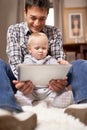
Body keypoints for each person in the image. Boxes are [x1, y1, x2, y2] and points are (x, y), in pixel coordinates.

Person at [0, 0, 87, 113]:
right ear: (25, 12)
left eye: (42, 19)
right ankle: (6, 109)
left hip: (51, 85)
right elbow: (15, 62)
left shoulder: (55, 32)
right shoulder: (14, 30)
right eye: (33, 18)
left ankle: (84, 106)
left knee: (81, 64)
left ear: (47, 15)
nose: (37, 23)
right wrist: (22, 81)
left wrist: (61, 76)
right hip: (21, 82)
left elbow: (59, 60)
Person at [15, 32, 73, 108]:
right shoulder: (27, 61)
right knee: (19, 95)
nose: (40, 51)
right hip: (32, 90)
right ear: (30, 49)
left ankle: (54, 104)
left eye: (44, 48)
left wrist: (63, 65)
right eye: (37, 48)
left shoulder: (51, 60)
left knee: (67, 94)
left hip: (49, 90)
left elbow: (59, 71)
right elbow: (20, 71)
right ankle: (29, 103)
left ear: (47, 48)